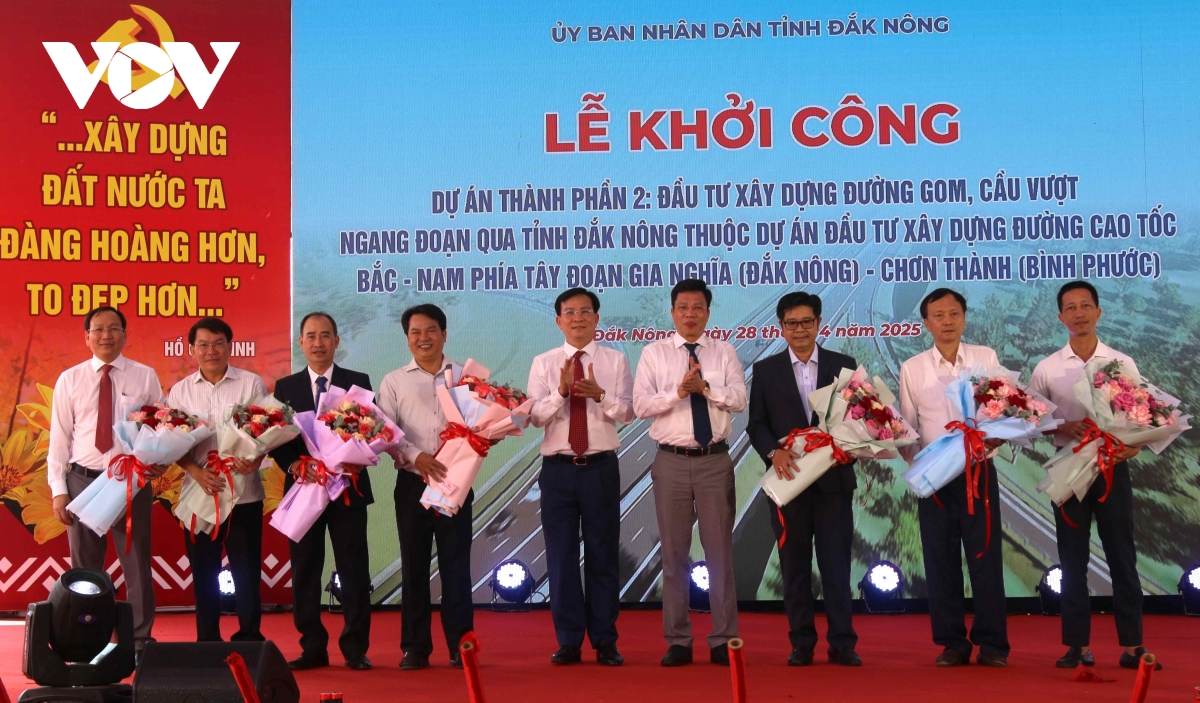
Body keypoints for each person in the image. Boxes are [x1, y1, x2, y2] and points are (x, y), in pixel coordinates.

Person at [1028, 281, 1160, 671]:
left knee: (1122, 556)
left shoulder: (1121, 362)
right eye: (1070, 307)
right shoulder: (1048, 367)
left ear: (1098, 312)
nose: (1079, 313)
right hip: (1069, 469)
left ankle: (1133, 646)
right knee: (1072, 559)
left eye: (1086, 305)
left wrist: (1134, 446)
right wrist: (1063, 426)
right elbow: (1033, 421)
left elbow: (1140, 415)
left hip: (1112, 468)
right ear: (1060, 317)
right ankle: (1077, 645)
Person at [632, 279, 747, 667]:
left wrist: (706, 387)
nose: (690, 314)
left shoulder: (724, 351)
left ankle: (723, 639)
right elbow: (641, 406)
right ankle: (678, 640)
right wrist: (679, 393)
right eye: (683, 307)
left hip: (714, 461)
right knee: (674, 554)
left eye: (698, 307)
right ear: (672, 312)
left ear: (708, 313)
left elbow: (740, 399)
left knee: (720, 554)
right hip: (671, 461)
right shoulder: (654, 353)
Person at [746, 292, 861, 667]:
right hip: (789, 481)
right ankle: (802, 643)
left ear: (818, 323)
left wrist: (853, 445)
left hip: (833, 484)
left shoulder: (844, 366)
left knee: (836, 566)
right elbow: (756, 424)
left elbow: (859, 418)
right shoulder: (766, 370)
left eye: (806, 322)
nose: (800, 329)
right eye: (792, 323)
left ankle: (842, 643)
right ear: (781, 327)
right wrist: (773, 452)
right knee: (794, 566)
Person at [898, 288, 1009, 667]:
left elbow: (1001, 408)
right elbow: (908, 428)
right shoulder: (912, 368)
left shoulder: (985, 358)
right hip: (935, 478)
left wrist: (997, 436)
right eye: (938, 315)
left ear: (964, 317)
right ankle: (952, 643)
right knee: (940, 559)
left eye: (954, 313)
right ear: (926, 323)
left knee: (985, 557)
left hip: (978, 472)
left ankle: (993, 644)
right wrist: (922, 466)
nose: (947, 321)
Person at [48, 306, 164, 657]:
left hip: (130, 483)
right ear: (87, 337)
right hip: (82, 481)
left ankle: (139, 641)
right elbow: (59, 440)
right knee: (85, 569)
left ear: (125, 335)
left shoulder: (145, 376)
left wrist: (156, 462)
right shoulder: (70, 379)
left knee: (137, 564)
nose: (106, 335)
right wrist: (58, 491)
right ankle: (87, 638)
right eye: (98, 329)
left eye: (114, 328)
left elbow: (160, 428)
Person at [527, 288, 634, 666]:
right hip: (557, 471)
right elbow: (534, 417)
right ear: (559, 321)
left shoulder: (615, 360)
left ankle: (605, 639)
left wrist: (600, 395)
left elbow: (628, 414)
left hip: (600, 468)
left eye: (585, 311)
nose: (577, 318)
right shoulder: (543, 363)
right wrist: (561, 393)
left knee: (604, 556)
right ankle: (569, 640)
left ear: (596, 319)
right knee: (561, 558)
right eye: (569, 312)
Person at [268, 312, 374, 671]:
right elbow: (276, 439)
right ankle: (312, 647)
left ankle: (355, 648)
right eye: (311, 336)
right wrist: (294, 465)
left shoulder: (357, 382)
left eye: (325, 335)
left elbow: (370, 430)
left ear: (336, 341)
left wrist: (358, 458)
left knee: (354, 569)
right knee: (305, 570)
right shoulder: (286, 387)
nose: (318, 343)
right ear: (301, 343)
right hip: (304, 489)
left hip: (347, 488)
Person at [376, 304, 473, 670]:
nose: (423, 338)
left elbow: (481, 428)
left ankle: (461, 645)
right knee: (414, 567)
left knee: (456, 568)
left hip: (454, 483)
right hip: (411, 485)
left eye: (431, 330)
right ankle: (415, 648)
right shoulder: (394, 381)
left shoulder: (465, 377)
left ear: (444, 334)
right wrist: (416, 457)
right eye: (415, 332)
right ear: (407, 339)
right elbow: (385, 432)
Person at [168, 317, 268, 643]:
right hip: (199, 492)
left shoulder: (251, 384)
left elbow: (265, 432)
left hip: (243, 494)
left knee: (246, 571)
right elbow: (170, 442)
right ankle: (207, 640)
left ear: (229, 346)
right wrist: (195, 471)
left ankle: (250, 637)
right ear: (192, 349)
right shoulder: (180, 391)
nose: (211, 350)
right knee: (204, 572)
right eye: (203, 344)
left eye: (218, 343)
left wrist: (255, 459)